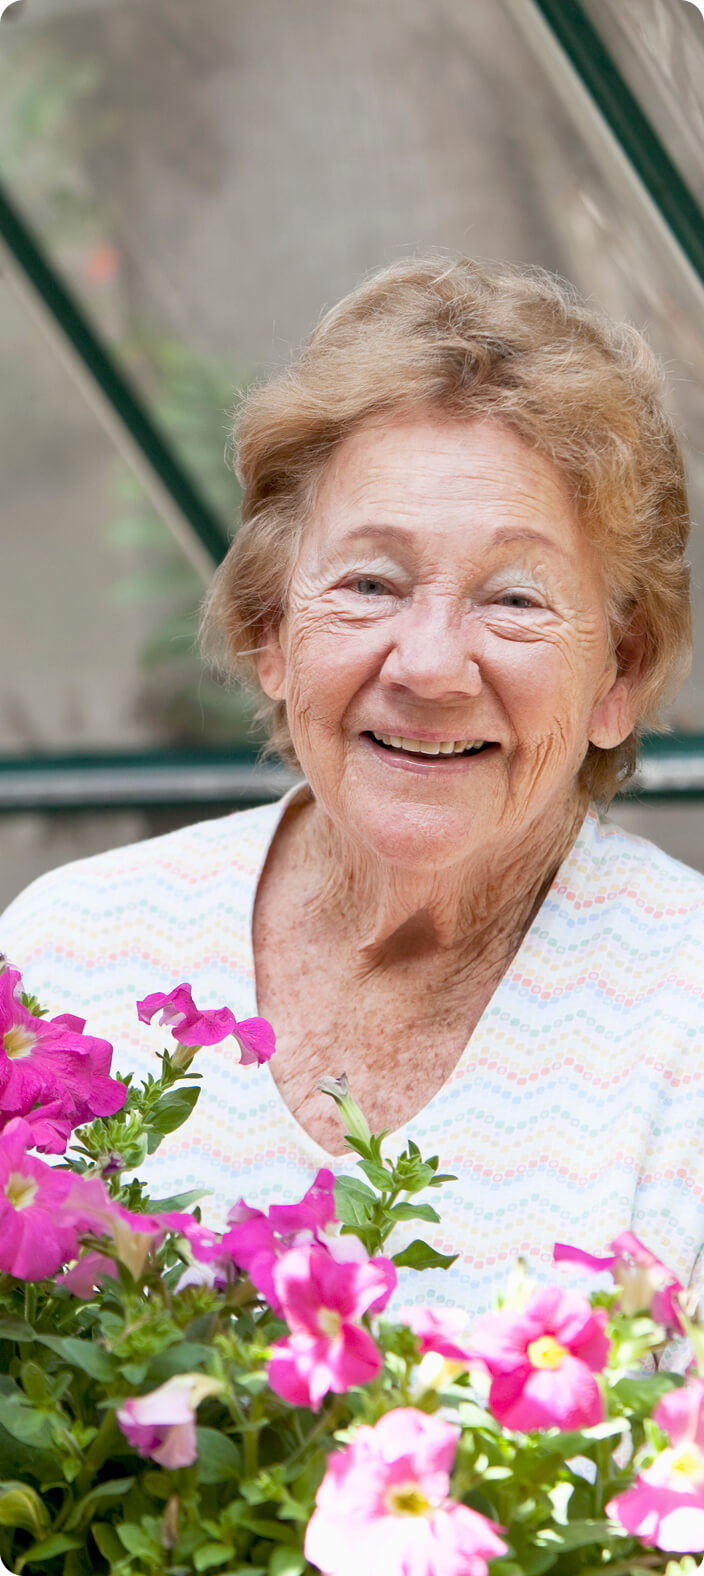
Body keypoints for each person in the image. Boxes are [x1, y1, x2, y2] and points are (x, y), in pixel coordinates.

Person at [2, 256, 703, 1316]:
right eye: (369, 581)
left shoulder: (681, 1017)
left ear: (620, 672)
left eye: (512, 599)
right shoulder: (75, 953)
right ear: (268, 631)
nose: (426, 665)